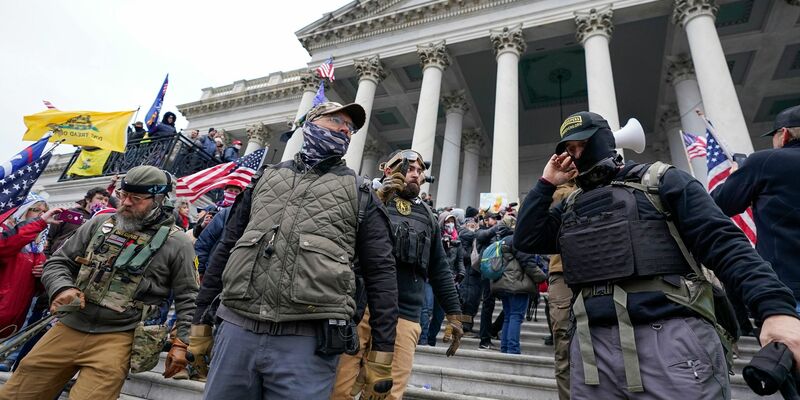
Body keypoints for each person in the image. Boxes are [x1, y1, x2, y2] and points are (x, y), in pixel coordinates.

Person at [514, 111, 800, 399]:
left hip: (669, 338)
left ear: (603, 141)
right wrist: (546, 183)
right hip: (592, 345)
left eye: (582, 145)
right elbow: (527, 238)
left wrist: (775, 308)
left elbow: (724, 243)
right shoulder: (571, 205)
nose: (576, 156)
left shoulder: (663, 181)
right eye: (569, 150)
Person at [191, 101, 399, 399]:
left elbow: (381, 276)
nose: (345, 130)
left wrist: (382, 352)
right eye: (336, 121)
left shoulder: (362, 194)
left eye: (350, 128)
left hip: (308, 343)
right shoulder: (262, 180)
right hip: (237, 330)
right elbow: (225, 250)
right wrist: (200, 323)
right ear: (311, 123)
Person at [0, 166, 199, 400]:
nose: (125, 202)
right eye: (124, 195)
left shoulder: (178, 243)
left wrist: (182, 343)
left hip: (120, 336)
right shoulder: (99, 224)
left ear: (158, 200)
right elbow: (58, 263)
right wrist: (63, 288)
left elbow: (189, 297)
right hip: (70, 325)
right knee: (17, 394)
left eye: (136, 198)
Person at [331, 149, 463, 400]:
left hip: (405, 314)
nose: (415, 174)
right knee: (340, 388)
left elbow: (440, 268)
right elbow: (343, 242)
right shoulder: (364, 199)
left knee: (387, 394)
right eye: (408, 168)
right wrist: (377, 200)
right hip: (359, 309)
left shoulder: (428, 216)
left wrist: (454, 314)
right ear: (388, 170)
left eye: (419, 170)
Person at [711, 104, 800, 314]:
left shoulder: (765, 162)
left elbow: (719, 205)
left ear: (784, 134)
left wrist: (735, 176)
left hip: (790, 287)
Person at [0, 196, 62, 341]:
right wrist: (39, 223)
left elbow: (37, 290)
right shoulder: (4, 232)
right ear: (23, 211)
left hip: (13, 323)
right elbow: (6, 247)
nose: (42, 214)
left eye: (45, 211)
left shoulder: (37, 248)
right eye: (36, 210)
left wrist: (43, 274)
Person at [488, 215, 546, 354]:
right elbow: (528, 263)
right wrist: (542, 277)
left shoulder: (501, 241)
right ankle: (513, 349)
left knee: (509, 316)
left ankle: (505, 348)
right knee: (516, 316)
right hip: (517, 284)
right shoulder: (519, 241)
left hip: (503, 284)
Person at [418, 211, 465, 347]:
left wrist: (461, 272)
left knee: (439, 315)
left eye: (452, 222)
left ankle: (431, 339)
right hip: (430, 278)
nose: (449, 224)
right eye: (447, 221)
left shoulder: (457, 242)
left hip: (447, 279)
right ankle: (423, 338)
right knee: (426, 309)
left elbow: (460, 261)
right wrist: (443, 245)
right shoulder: (435, 237)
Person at [45, 187, 109, 257]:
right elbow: (48, 237)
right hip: (58, 257)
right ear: (88, 200)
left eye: (106, 200)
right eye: (99, 198)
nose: (103, 202)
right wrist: (46, 257)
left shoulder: (103, 221)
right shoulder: (69, 213)